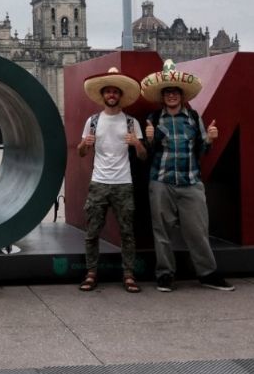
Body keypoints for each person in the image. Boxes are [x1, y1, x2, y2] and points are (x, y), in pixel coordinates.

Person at [140, 59, 234, 292]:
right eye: (168, 92)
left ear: (182, 96)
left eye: (176, 92)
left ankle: (208, 274)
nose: (172, 96)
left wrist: (210, 140)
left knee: (198, 230)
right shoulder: (153, 119)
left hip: (190, 182)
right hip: (161, 181)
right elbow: (147, 155)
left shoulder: (193, 118)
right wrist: (149, 139)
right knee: (161, 231)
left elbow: (202, 150)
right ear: (162, 96)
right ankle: (165, 274)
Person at [77, 67, 147, 293]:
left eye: (115, 92)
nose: (111, 95)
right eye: (108, 92)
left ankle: (128, 274)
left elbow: (143, 155)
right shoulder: (93, 121)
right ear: (103, 95)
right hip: (99, 182)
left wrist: (137, 144)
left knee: (127, 232)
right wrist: (84, 144)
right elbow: (80, 153)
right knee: (92, 232)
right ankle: (91, 273)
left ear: (120, 96)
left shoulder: (131, 122)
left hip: (123, 183)